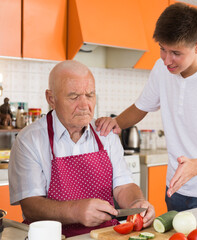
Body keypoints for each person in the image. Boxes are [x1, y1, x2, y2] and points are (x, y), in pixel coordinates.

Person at [96, 3, 197, 212]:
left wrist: (195, 167)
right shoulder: (161, 69)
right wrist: (116, 122)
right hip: (175, 188)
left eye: (175, 53)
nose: (167, 60)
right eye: (162, 49)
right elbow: (141, 107)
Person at [8, 60, 155, 237]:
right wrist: (75, 211)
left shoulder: (105, 134)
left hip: (104, 234)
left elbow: (123, 186)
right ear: (51, 98)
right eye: (73, 96)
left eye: (90, 95)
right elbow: (31, 205)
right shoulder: (29, 140)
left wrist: (137, 203)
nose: (85, 105)